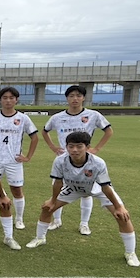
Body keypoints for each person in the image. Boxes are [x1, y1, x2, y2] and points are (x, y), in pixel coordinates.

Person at [25, 132, 140, 267]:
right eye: (71, 146)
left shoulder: (98, 163)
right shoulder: (60, 161)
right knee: (47, 209)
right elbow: (58, 182)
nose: (74, 150)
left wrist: (119, 207)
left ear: (87, 147)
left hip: (97, 188)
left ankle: (130, 253)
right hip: (73, 188)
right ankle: (40, 238)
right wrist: (53, 201)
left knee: (122, 216)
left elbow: (106, 187)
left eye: (79, 146)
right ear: (67, 147)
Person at [42, 84, 113, 235]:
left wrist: (96, 149)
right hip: (63, 160)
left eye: (78, 96)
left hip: (85, 160)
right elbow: (45, 131)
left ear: (83, 98)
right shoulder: (57, 117)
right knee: (57, 188)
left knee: (86, 191)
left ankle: (84, 224)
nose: (75, 99)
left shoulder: (93, 115)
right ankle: (57, 220)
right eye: (71, 96)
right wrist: (53, 147)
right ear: (67, 98)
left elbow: (108, 131)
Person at [0, 87, 38, 230]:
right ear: (0, 100)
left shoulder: (23, 118)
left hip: (14, 161)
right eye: (5, 98)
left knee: (16, 190)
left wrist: (28, 156)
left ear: (16, 100)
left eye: (11, 98)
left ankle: (19, 219)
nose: (8, 100)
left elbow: (34, 137)